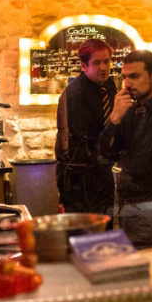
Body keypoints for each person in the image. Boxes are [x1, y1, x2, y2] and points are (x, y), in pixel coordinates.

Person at [98, 50, 152, 248]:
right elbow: (103, 154)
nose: (127, 83)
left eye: (134, 76)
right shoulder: (130, 109)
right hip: (128, 206)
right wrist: (114, 118)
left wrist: (122, 158)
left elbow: (142, 162)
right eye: (125, 77)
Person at [55, 39, 117, 215]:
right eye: (96, 63)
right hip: (79, 176)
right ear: (84, 66)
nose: (103, 68)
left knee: (105, 233)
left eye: (106, 61)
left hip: (100, 171)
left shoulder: (109, 85)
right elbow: (87, 141)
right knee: (86, 234)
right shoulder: (76, 95)